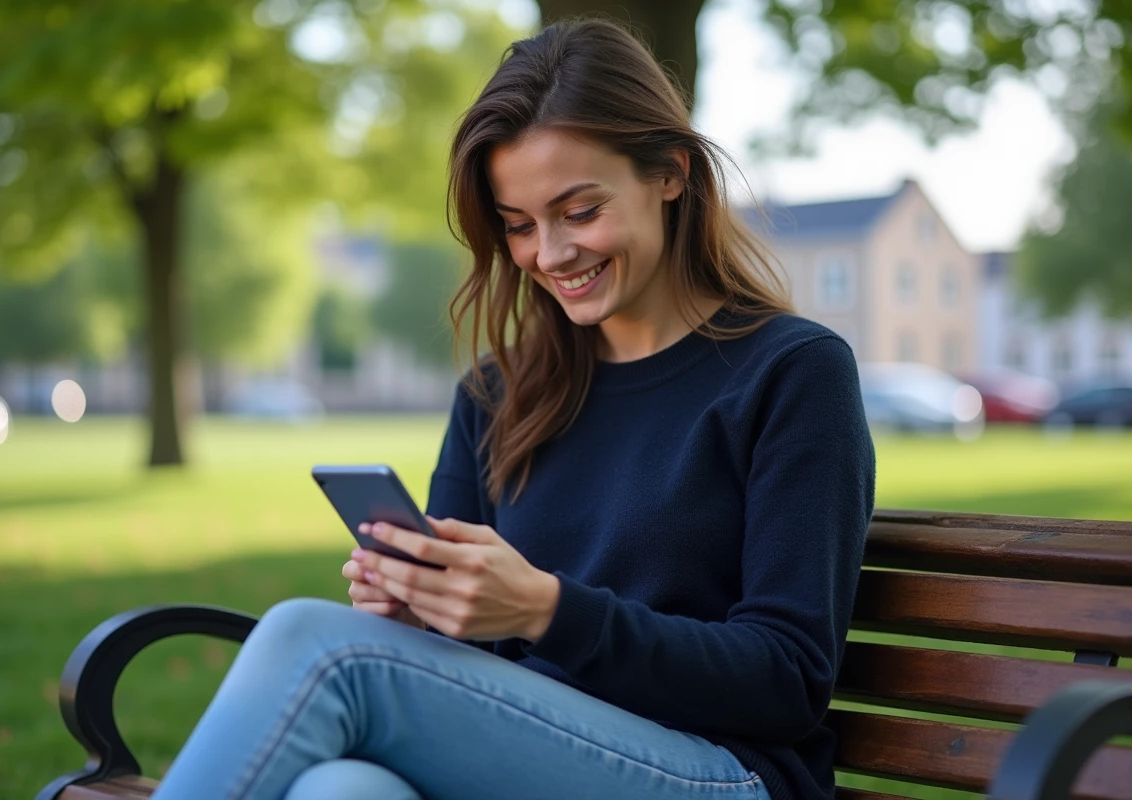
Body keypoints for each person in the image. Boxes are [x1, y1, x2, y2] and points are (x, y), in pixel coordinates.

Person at [152, 17, 874, 800]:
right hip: (535, 760)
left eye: (580, 211)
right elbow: (481, 663)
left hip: (723, 773)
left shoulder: (793, 374)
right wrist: (418, 616)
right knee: (345, 792)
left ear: (669, 173)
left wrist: (547, 610)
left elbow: (787, 679)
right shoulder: (497, 395)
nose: (552, 255)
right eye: (520, 226)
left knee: (313, 641)